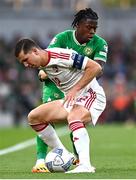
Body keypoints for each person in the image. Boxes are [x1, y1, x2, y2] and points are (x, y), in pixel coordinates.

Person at [15, 38, 106, 173]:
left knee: (74, 117)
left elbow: (96, 68)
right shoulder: (42, 63)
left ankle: (85, 165)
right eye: (23, 62)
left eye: (26, 59)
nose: (26, 65)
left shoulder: (61, 55)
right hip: (72, 100)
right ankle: (64, 153)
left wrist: (75, 89)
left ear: (35, 51)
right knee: (34, 117)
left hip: (92, 95)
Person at [33, 8, 108, 173]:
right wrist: (43, 72)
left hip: (80, 87)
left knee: (75, 118)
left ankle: (79, 159)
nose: (92, 31)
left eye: (95, 28)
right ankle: (40, 160)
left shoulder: (100, 43)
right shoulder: (62, 38)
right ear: (78, 25)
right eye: (89, 27)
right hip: (55, 84)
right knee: (41, 117)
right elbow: (47, 58)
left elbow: (98, 70)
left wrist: (77, 76)